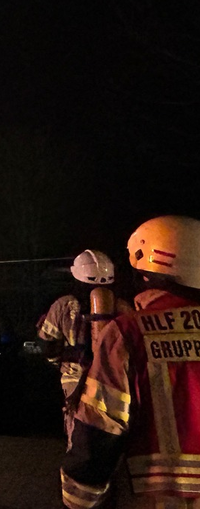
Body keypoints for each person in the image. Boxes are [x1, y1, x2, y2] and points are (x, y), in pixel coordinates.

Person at [62, 216, 200, 508]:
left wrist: (78, 497)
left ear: (146, 270)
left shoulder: (130, 332)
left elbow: (100, 429)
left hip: (159, 499)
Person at [37, 249, 127, 450]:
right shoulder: (120, 306)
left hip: (75, 379)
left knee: (78, 431)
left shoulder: (63, 305)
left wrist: (59, 362)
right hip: (114, 379)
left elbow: (47, 342)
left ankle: (79, 474)